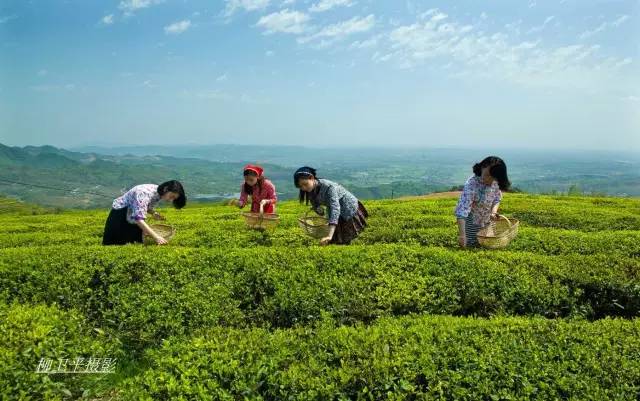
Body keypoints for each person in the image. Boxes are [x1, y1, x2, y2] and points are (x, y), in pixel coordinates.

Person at [294, 166, 368, 245]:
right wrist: (317, 209)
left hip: (348, 207)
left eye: (305, 184)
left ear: (311, 178)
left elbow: (335, 208)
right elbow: (320, 210)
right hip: (333, 208)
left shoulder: (329, 187)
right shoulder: (310, 189)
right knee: (336, 237)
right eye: (300, 186)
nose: (303, 188)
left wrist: (329, 235)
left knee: (345, 236)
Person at [102, 180, 186, 245]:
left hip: (132, 215)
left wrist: (153, 213)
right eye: (171, 196)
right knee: (114, 242)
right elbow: (139, 219)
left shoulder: (159, 194)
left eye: (173, 199)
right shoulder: (143, 193)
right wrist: (156, 237)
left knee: (135, 242)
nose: (170, 200)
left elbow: (145, 207)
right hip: (120, 214)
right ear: (166, 189)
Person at [454, 156, 510, 248]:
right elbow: (461, 212)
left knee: (488, 246)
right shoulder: (471, 185)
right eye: (487, 175)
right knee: (471, 247)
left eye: (493, 178)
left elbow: (497, 198)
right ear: (482, 167)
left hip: (488, 223)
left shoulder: (495, 182)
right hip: (472, 224)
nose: (489, 180)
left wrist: (493, 212)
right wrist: (462, 236)